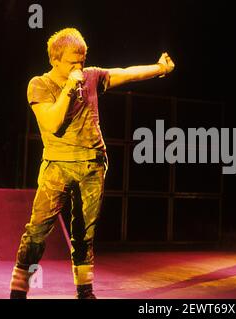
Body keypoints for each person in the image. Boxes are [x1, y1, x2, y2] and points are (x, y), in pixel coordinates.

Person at [9, 27, 175, 299]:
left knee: (84, 234)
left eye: (82, 61)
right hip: (57, 167)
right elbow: (52, 123)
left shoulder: (92, 76)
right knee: (37, 232)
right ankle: (18, 291)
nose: (80, 67)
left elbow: (124, 72)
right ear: (55, 59)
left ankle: (85, 292)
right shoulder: (39, 84)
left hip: (93, 165)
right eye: (73, 62)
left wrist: (159, 68)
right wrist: (69, 89)